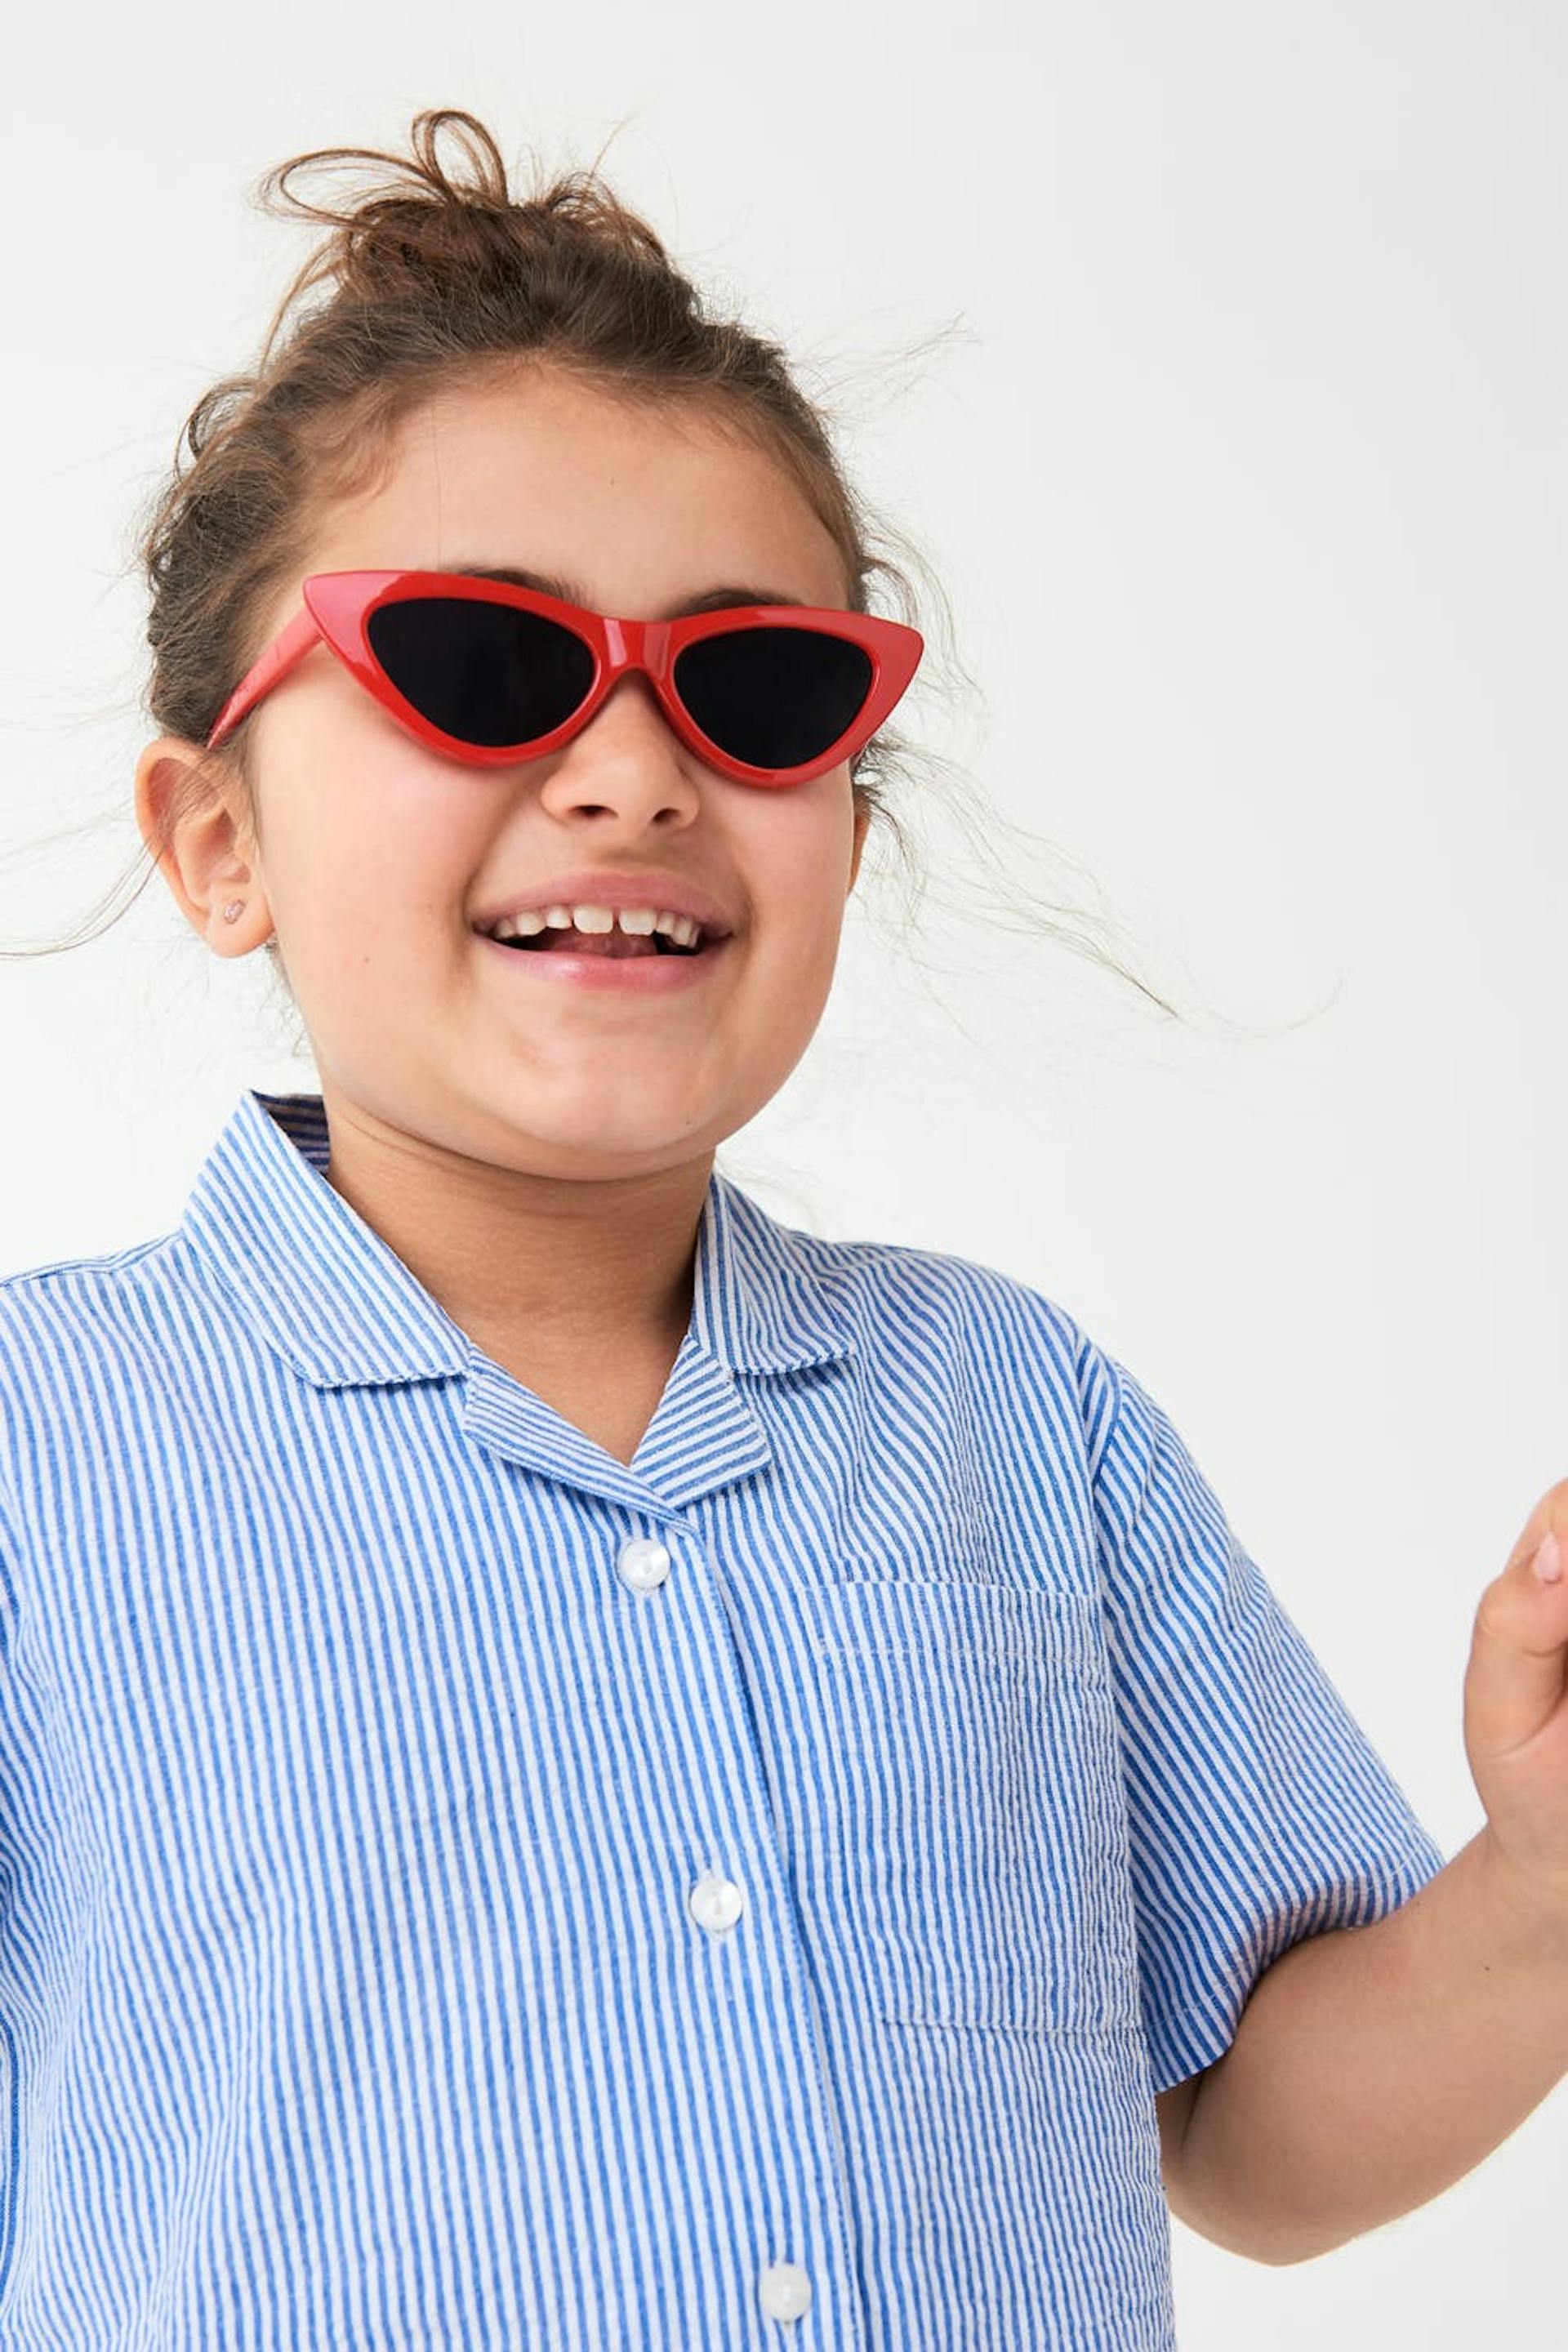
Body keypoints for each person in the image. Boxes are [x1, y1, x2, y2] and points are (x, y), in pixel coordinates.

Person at [3, 104, 1567, 2352]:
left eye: (753, 693)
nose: (634, 771)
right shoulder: (38, 1459)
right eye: (479, 663)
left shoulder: (1014, 1419)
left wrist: (1541, 1884)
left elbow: (1254, 2135)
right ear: (215, 837)